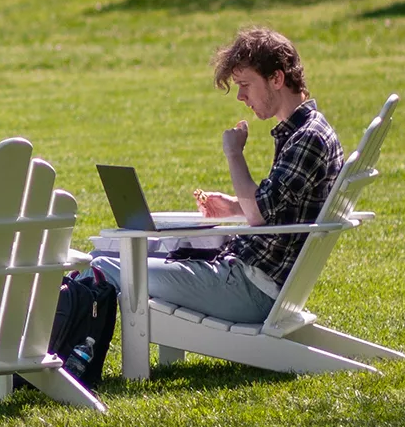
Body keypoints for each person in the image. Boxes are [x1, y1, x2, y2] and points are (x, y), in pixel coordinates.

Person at [91, 27, 344, 323]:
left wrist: (234, 154)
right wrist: (235, 207)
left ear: (277, 78)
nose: (240, 96)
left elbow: (260, 215)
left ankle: (73, 355)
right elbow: (281, 209)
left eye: (246, 85)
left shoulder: (308, 139)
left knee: (103, 267)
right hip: (246, 276)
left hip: (249, 288)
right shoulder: (305, 131)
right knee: (110, 259)